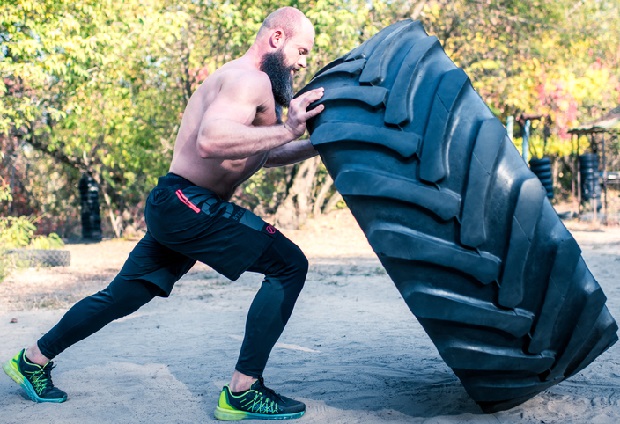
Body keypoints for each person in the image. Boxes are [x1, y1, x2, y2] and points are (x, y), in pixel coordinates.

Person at [3, 6, 324, 421]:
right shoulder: (251, 79)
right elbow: (211, 141)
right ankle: (243, 391)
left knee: (124, 295)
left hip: (177, 205)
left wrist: (319, 144)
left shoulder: (248, 84)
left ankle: (33, 359)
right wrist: (289, 128)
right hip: (188, 204)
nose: (302, 63)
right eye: (301, 51)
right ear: (277, 38)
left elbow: (263, 150)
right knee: (288, 264)